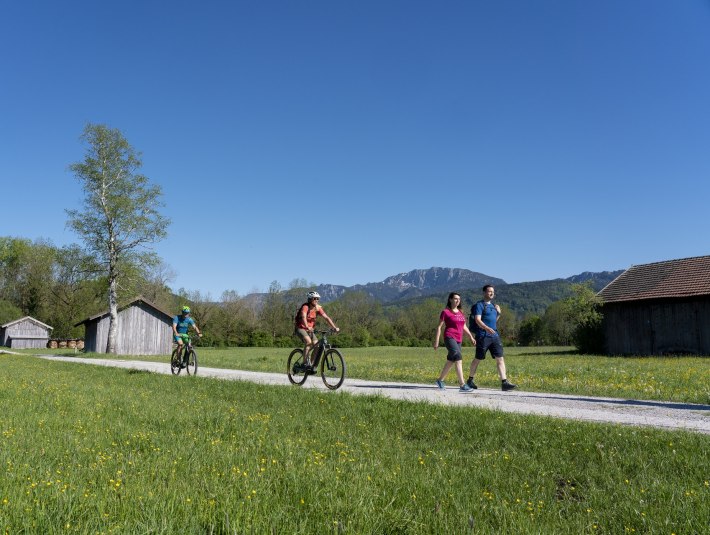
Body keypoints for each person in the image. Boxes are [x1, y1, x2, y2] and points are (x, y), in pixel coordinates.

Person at [466, 285, 517, 391]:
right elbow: (477, 320)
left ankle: (504, 382)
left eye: (493, 292)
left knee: (500, 358)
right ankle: (470, 380)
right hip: (482, 336)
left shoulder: (494, 306)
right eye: (489, 291)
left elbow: (494, 321)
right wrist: (486, 328)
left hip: (494, 336)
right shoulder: (479, 305)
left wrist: (499, 313)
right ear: (484, 292)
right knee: (478, 358)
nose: (492, 293)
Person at [434, 292, 477, 392]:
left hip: (459, 339)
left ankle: (440, 380)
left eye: (459, 299)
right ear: (450, 299)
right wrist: (436, 341)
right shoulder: (445, 312)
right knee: (458, 357)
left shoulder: (460, 312)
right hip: (449, 337)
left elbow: (464, 326)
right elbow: (439, 327)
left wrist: (471, 336)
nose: (458, 301)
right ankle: (462, 385)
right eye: (455, 299)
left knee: (451, 360)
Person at [294, 291, 339, 371]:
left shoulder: (318, 308)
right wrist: (307, 326)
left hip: (310, 330)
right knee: (308, 342)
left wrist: (334, 327)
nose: (316, 300)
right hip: (300, 328)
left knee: (317, 345)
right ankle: (304, 364)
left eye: (318, 299)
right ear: (310, 299)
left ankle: (310, 366)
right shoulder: (305, 307)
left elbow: (326, 318)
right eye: (315, 298)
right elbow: (304, 317)